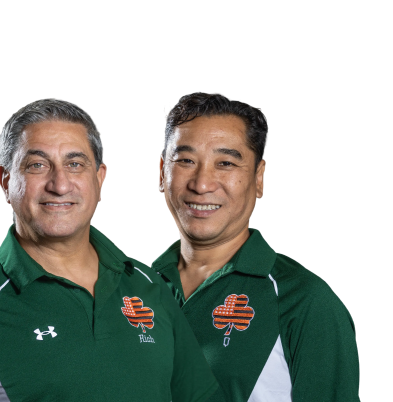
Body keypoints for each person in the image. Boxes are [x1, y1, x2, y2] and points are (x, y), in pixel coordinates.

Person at [0, 98, 218, 401]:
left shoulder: (148, 284)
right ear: (6, 181)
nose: (60, 184)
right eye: (37, 165)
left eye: (75, 164)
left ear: (99, 178)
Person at [150, 92, 358, 401]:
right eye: (186, 160)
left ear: (259, 178)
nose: (202, 183)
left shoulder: (305, 301)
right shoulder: (135, 287)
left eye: (226, 162)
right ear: (162, 173)